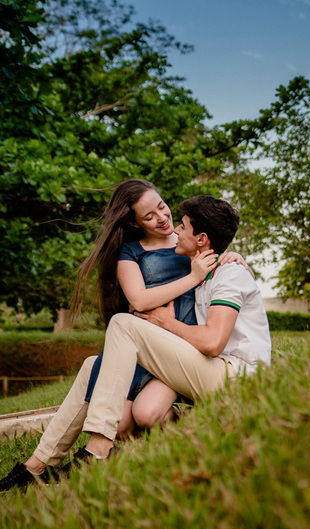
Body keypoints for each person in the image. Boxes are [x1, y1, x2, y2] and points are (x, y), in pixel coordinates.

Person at [0, 184, 247, 494]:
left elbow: (217, 253)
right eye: (149, 216)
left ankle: (97, 449)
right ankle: (37, 466)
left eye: (162, 206)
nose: (163, 217)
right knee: (106, 392)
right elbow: (139, 300)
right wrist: (192, 278)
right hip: (146, 347)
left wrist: (231, 255)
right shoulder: (131, 252)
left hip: (179, 351)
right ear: (134, 223)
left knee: (135, 406)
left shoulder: (189, 240)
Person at [74, 194, 270, 465]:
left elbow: (213, 342)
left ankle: (96, 449)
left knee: (123, 324)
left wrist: (166, 322)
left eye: (183, 226)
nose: (174, 229)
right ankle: (189, 420)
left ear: (201, 239)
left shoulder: (230, 273)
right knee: (145, 414)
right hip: (210, 368)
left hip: (239, 377)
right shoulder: (202, 275)